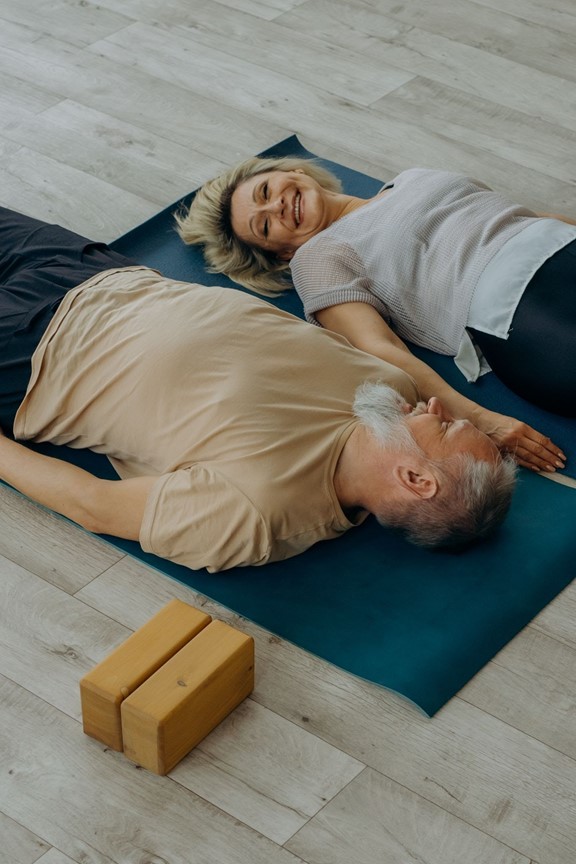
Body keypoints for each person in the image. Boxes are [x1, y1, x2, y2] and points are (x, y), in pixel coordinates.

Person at [0, 207, 517, 572]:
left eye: (443, 425)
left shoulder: (259, 514)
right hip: (104, 273)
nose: (434, 405)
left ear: (414, 479)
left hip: (31, 356)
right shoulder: (390, 388)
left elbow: (92, 504)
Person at [177, 154, 576, 456]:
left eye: (266, 192)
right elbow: (379, 350)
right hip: (519, 311)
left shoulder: (411, 179)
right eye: (264, 225)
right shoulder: (317, 258)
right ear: (282, 253)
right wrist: (484, 421)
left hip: (557, 242)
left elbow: (518, 217)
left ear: (295, 173)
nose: (276, 207)